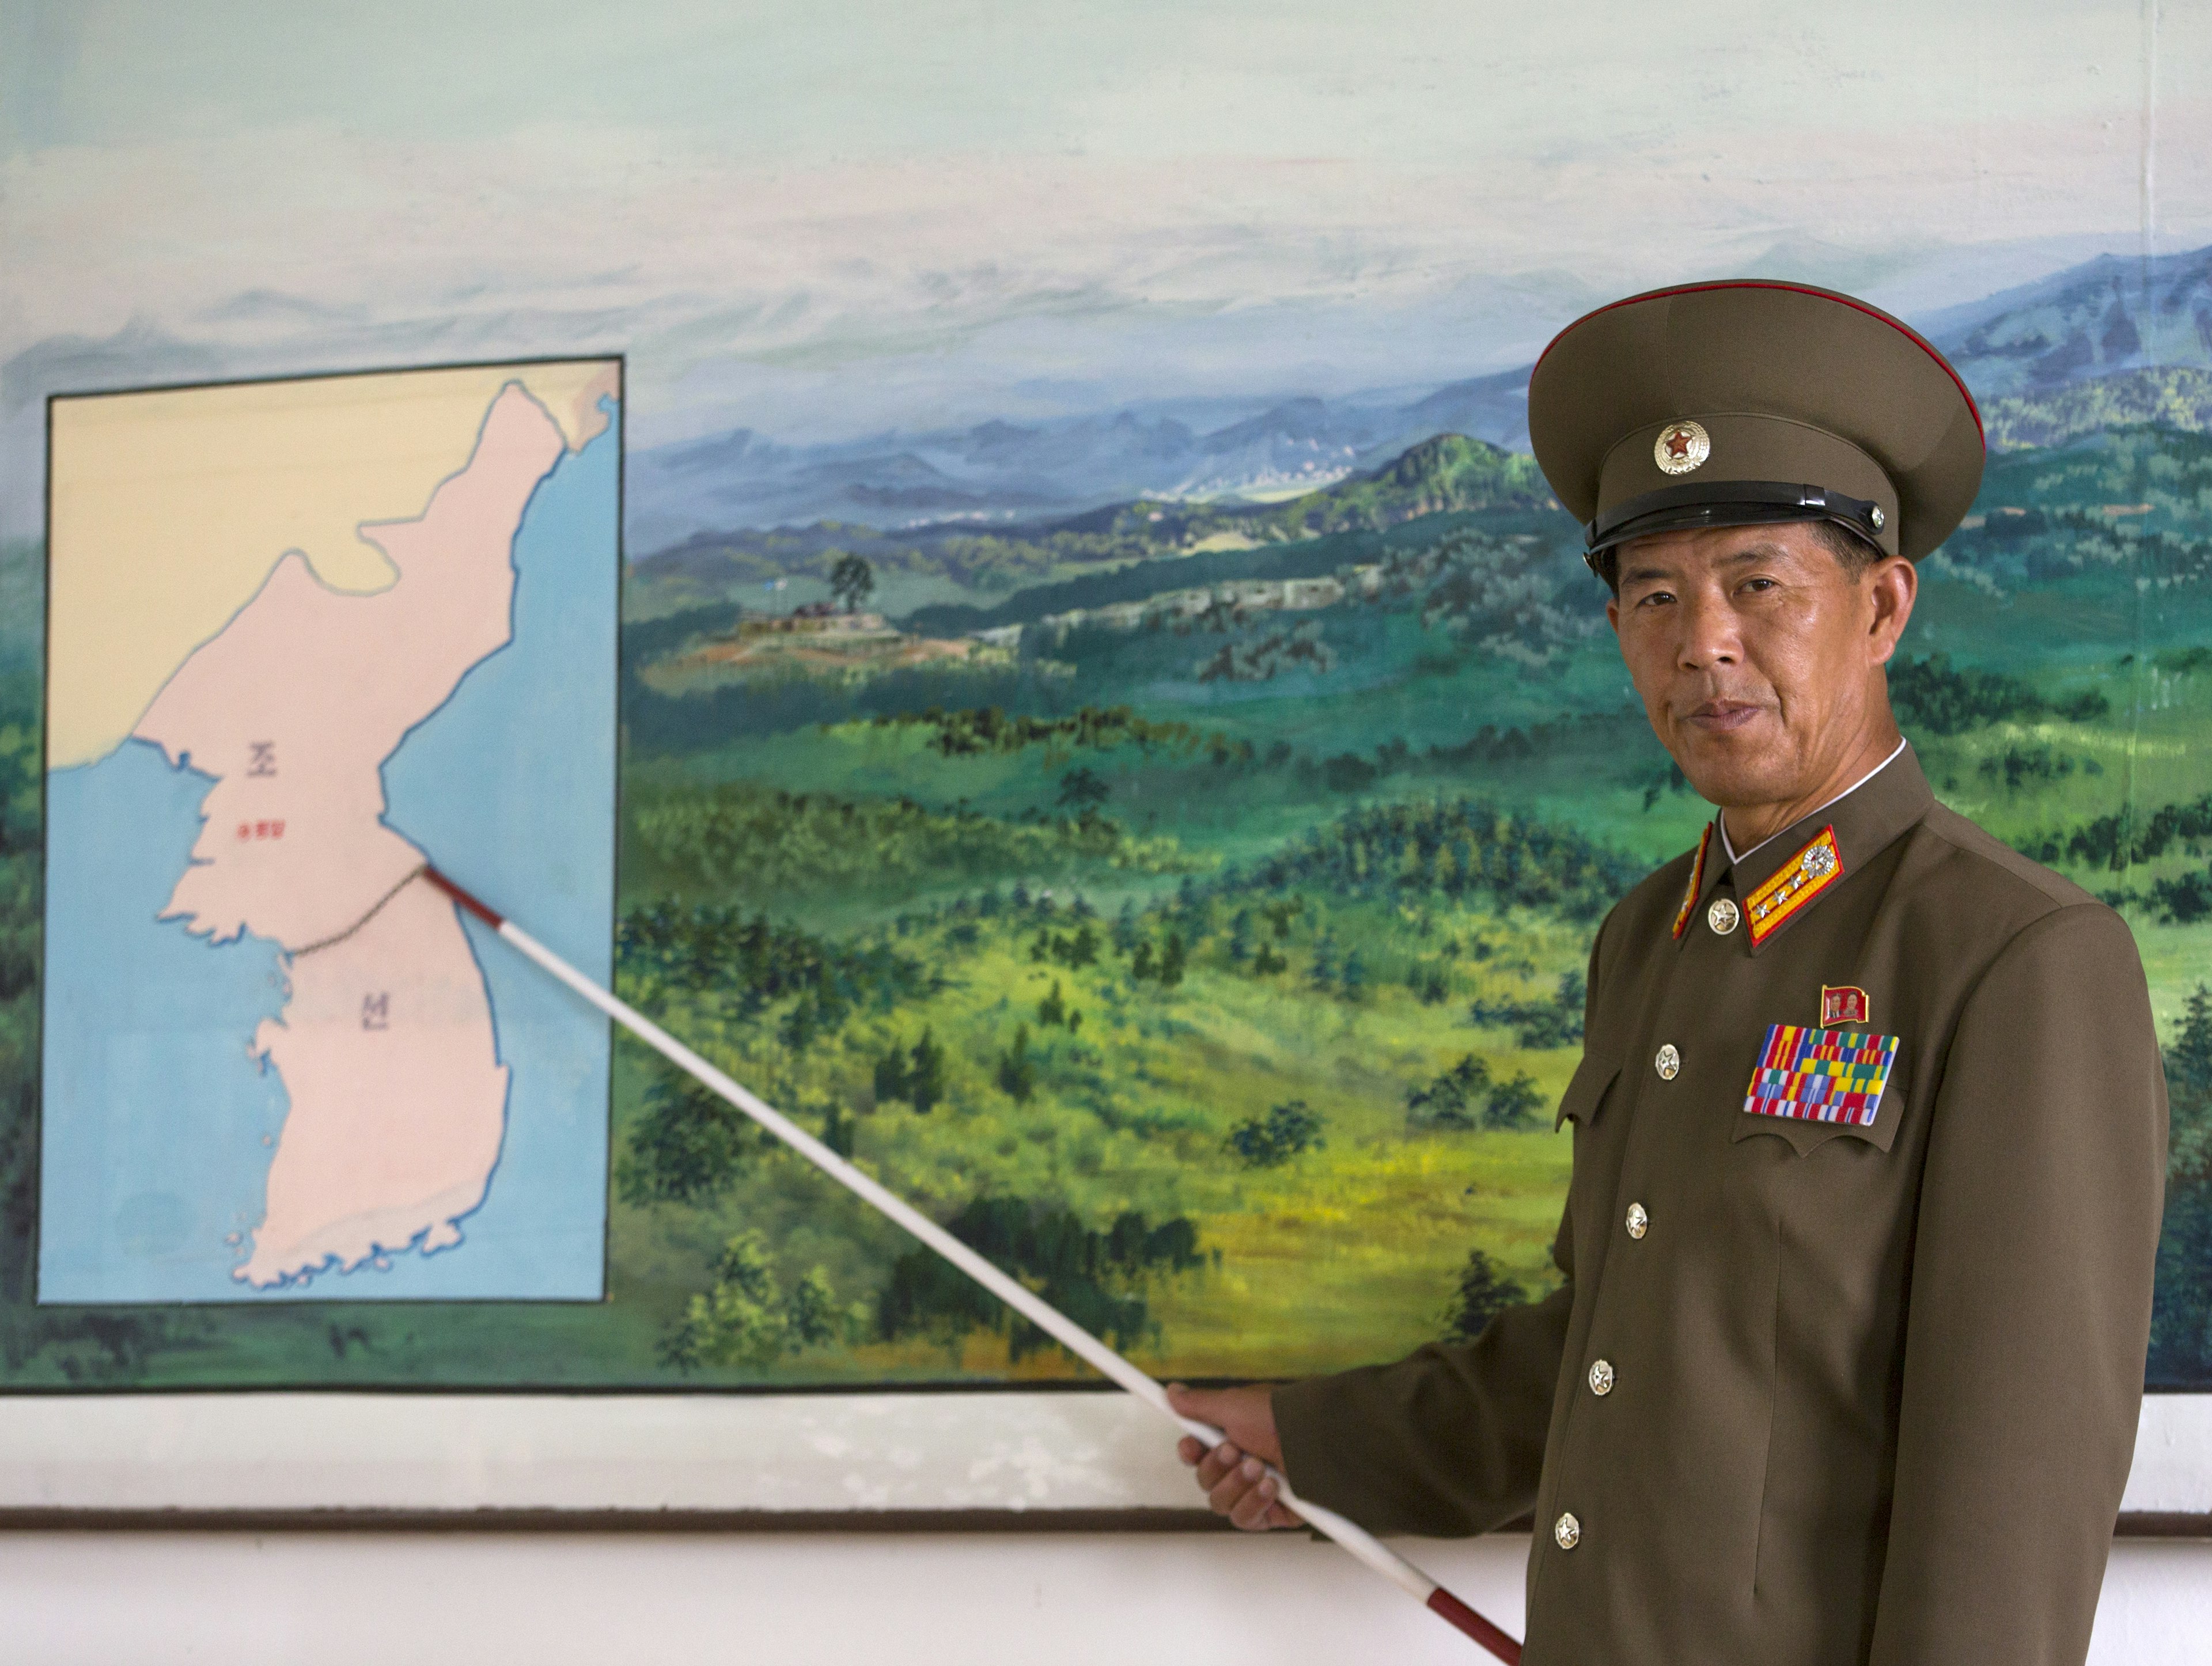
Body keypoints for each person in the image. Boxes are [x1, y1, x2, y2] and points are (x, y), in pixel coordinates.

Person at [1167, 282, 2169, 1666]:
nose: (1703, 643)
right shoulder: (1650, 937)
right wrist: (1310, 1441)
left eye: (1759, 585)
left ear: (1881, 608)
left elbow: (2009, 1503)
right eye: (1654, 595)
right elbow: (1622, 1353)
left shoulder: (2016, 959)